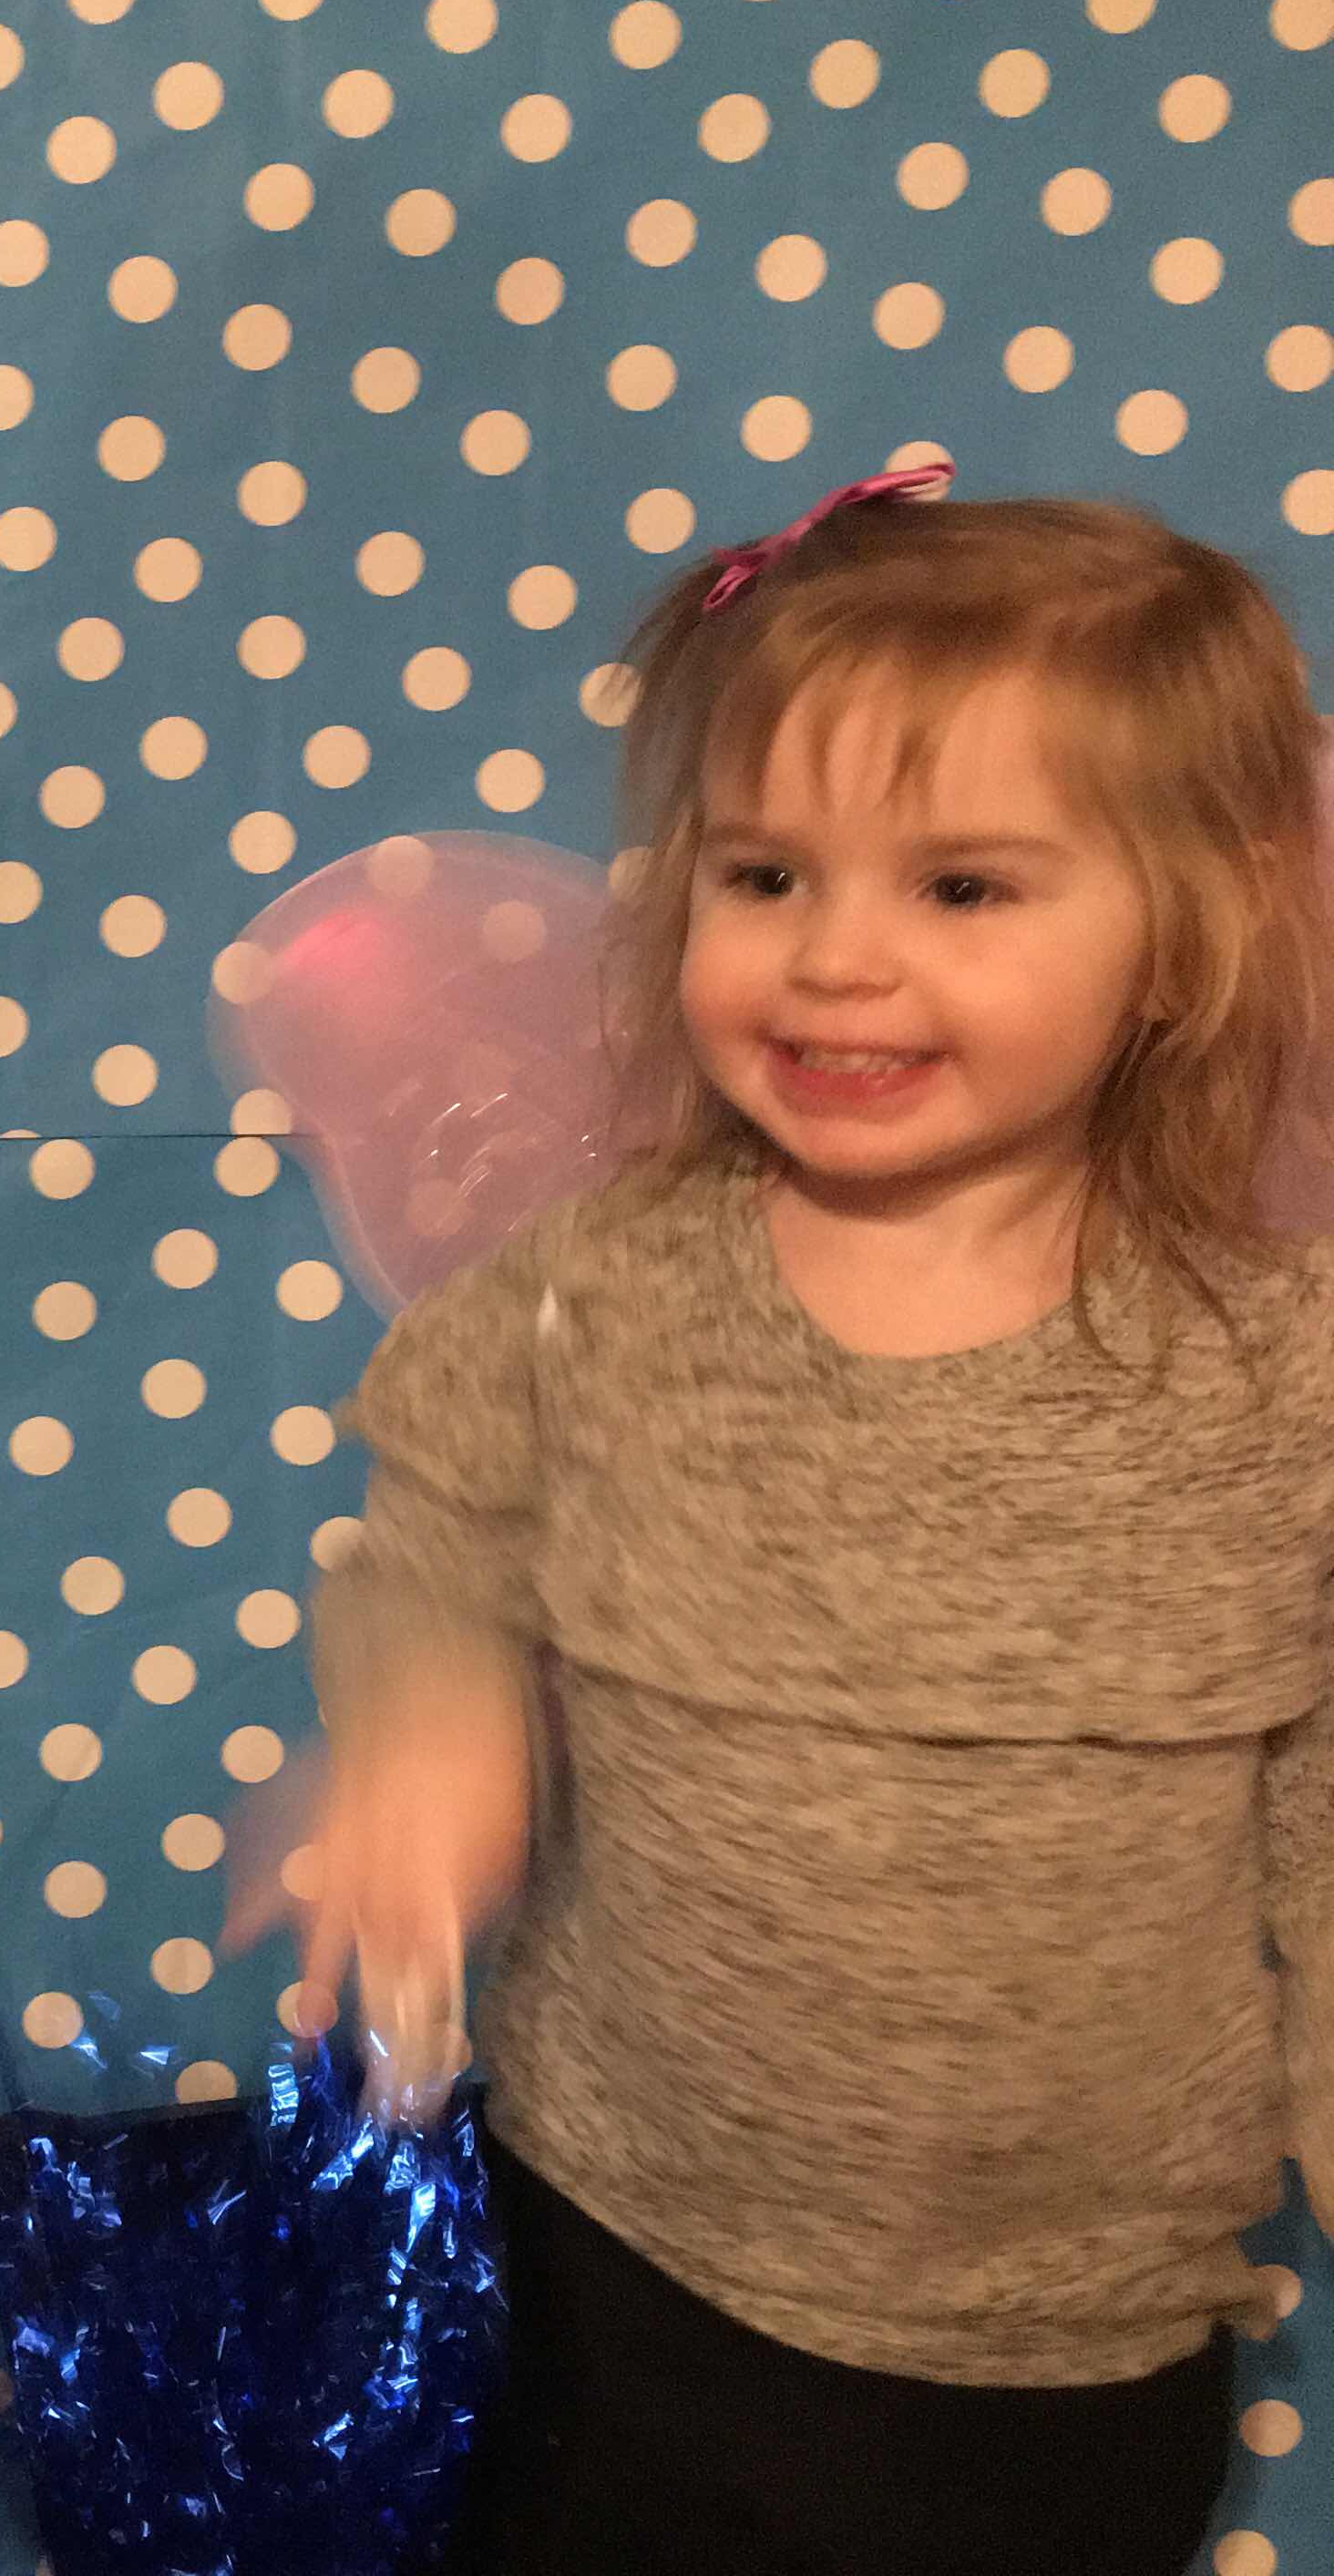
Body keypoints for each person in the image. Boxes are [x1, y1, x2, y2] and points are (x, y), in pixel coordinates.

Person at [249, 470, 1334, 2572]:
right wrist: (425, 1731)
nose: (834, 958)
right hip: (613, 2254)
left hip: (1068, 2349)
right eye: (763, 873)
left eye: (963, 887)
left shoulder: (1281, 1375)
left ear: (1188, 930)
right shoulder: (593, 1296)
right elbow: (431, 1538)